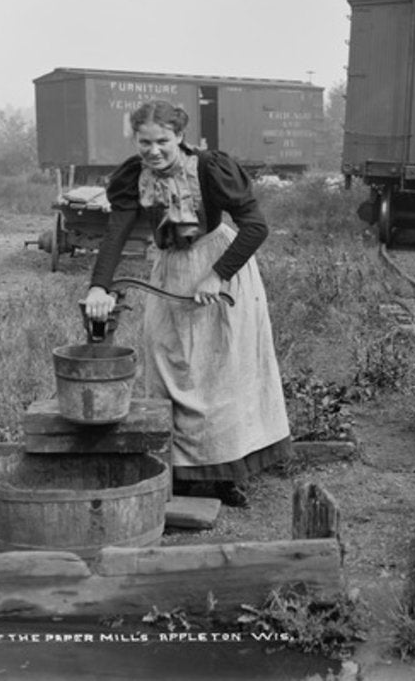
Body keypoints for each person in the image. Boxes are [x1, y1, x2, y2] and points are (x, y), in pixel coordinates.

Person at [84, 101, 292, 508]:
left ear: (179, 136)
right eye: (145, 141)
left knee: (221, 373)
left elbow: (256, 226)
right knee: (169, 366)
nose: (154, 150)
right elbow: (116, 234)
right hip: (169, 273)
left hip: (220, 266)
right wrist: (98, 287)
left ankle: (226, 474)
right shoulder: (134, 177)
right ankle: (177, 472)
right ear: (135, 140)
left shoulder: (210, 169)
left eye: (163, 140)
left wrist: (217, 274)